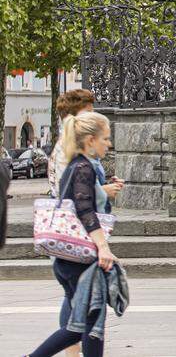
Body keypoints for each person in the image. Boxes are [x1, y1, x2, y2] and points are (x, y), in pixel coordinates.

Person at [25, 112, 117, 357]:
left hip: (68, 259)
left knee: (88, 323)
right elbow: (85, 210)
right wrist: (103, 246)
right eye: (105, 139)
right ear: (90, 140)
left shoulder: (74, 166)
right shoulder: (84, 168)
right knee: (88, 324)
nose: (108, 144)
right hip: (79, 259)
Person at [48, 89, 96, 199]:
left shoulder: (78, 144)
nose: (92, 118)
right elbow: (67, 191)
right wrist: (105, 191)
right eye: (87, 114)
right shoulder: (67, 148)